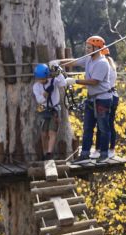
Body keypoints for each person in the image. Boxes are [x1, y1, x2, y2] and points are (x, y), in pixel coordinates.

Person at [61, 35, 115, 165]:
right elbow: (74, 61)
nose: (86, 49)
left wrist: (75, 81)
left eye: (89, 47)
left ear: (97, 48)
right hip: (92, 99)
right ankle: (84, 154)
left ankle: (104, 154)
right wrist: (58, 63)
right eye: (87, 47)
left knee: (103, 127)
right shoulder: (89, 59)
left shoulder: (102, 63)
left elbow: (94, 82)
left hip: (102, 99)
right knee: (87, 127)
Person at [32, 63, 68, 161]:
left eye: (43, 79)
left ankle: (49, 153)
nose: (41, 81)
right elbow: (39, 100)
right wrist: (45, 93)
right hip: (44, 110)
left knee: (52, 132)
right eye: (39, 79)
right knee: (44, 133)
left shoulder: (53, 81)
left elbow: (63, 83)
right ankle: (44, 152)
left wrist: (58, 72)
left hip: (54, 110)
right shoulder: (36, 86)